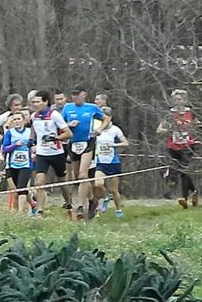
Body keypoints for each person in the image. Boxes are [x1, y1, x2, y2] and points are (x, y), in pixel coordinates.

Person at [62, 85, 110, 220]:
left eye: (78, 94)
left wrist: (100, 129)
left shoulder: (92, 108)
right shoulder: (67, 108)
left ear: (84, 95)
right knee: (78, 177)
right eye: (73, 94)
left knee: (83, 175)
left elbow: (106, 119)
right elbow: (60, 124)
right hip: (73, 143)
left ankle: (80, 206)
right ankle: (91, 200)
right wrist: (68, 125)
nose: (75, 97)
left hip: (88, 142)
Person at [30, 91, 73, 216]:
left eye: (37, 102)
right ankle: (40, 210)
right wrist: (31, 142)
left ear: (46, 102)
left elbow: (68, 133)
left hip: (57, 153)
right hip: (42, 154)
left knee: (62, 181)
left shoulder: (55, 115)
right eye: (33, 102)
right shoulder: (34, 116)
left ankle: (68, 202)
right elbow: (33, 131)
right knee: (39, 181)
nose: (35, 104)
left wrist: (56, 138)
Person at [156, 89, 199, 208]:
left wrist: (193, 129)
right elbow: (159, 130)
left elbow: (198, 127)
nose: (178, 101)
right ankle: (194, 191)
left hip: (188, 146)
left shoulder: (191, 113)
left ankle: (184, 198)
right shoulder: (170, 114)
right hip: (173, 146)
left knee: (184, 170)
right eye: (175, 99)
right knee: (176, 171)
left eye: (180, 99)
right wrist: (169, 130)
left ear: (185, 100)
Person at [93, 107, 129, 217]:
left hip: (113, 163)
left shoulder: (115, 130)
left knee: (114, 190)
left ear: (110, 118)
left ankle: (118, 210)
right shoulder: (97, 130)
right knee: (98, 184)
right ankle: (105, 198)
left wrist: (114, 145)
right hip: (100, 162)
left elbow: (125, 143)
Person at [2, 111, 34, 214]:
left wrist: (34, 149)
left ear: (24, 121)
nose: (17, 121)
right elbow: (4, 149)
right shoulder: (10, 133)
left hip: (26, 164)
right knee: (16, 190)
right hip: (12, 165)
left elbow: (36, 143)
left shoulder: (30, 132)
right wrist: (15, 145)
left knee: (22, 188)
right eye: (15, 119)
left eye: (19, 119)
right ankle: (32, 204)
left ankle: (20, 212)